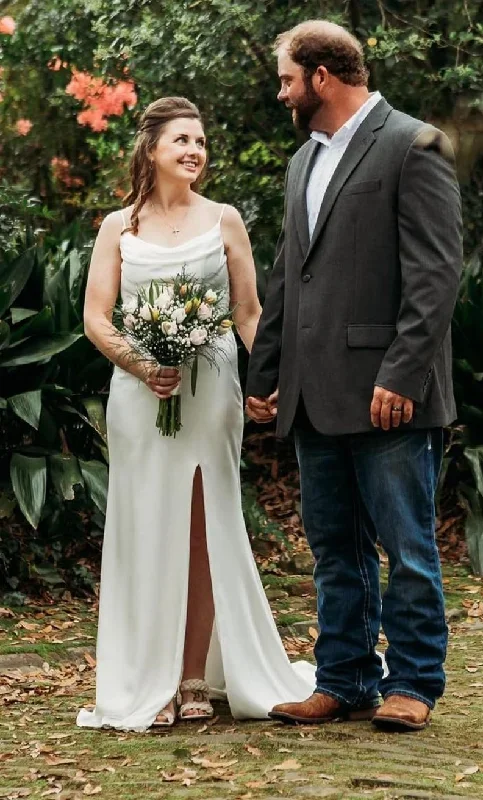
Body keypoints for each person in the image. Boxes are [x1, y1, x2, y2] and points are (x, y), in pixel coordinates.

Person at [246, 21, 462, 731]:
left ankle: (414, 684)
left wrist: (402, 374)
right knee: (334, 549)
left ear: (321, 77)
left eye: (285, 79)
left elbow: (435, 275)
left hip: (389, 395)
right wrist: (268, 370)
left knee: (406, 546)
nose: (281, 93)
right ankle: (341, 677)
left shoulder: (412, 143)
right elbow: (288, 277)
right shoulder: (302, 161)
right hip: (312, 393)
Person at [78, 96, 314, 731]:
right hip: (138, 394)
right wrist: (141, 363)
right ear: (151, 149)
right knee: (146, 527)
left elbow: (248, 313)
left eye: (202, 142)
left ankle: (190, 679)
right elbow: (96, 317)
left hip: (210, 392)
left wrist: (267, 379)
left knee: (204, 526)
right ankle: (144, 676)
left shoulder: (225, 220)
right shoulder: (117, 227)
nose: (194, 151)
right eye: (182, 139)